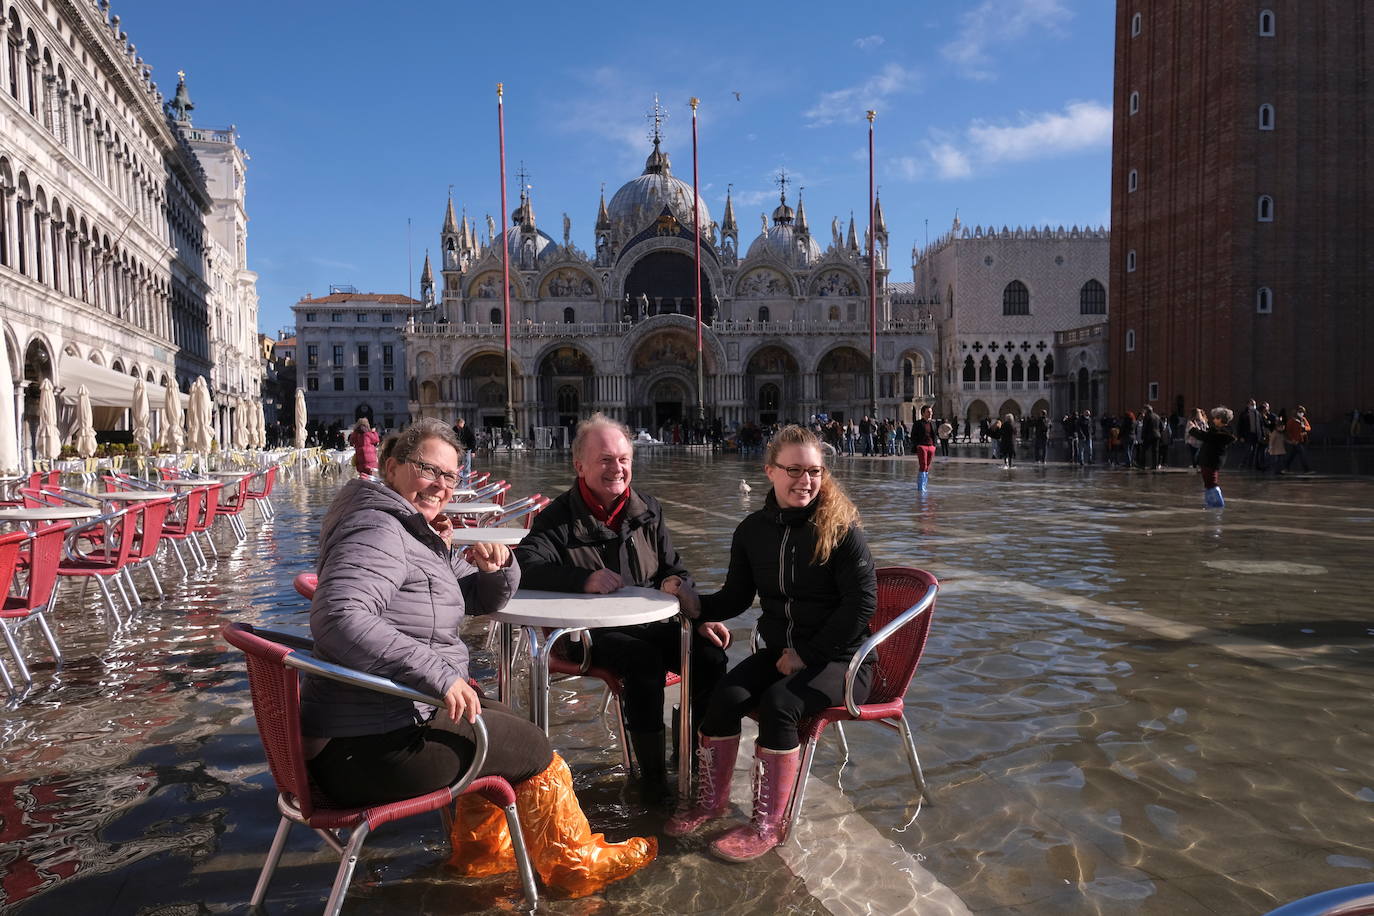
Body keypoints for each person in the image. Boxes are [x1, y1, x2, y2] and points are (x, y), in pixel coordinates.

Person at [302, 418, 654, 898]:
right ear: (391, 466)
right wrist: (438, 676)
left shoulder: (409, 526)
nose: (441, 485)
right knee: (533, 749)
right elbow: (340, 618)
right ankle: (576, 865)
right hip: (368, 747)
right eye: (428, 469)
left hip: (379, 723)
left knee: (505, 725)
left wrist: (499, 571)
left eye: (450, 476)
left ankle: (481, 856)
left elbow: (468, 597)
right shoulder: (377, 527)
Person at [665, 425, 875, 862]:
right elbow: (737, 598)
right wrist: (693, 603)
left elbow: (861, 607)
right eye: (794, 470)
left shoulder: (841, 531)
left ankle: (768, 824)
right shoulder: (751, 531)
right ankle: (712, 802)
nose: (806, 481)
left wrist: (808, 655)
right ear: (769, 472)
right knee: (726, 695)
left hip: (845, 661)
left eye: (814, 471)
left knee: (781, 703)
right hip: (783, 654)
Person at [514, 413, 728, 805]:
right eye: (606, 460)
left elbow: (674, 568)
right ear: (579, 465)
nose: (618, 469)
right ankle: (652, 780)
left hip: (649, 624)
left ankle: (691, 758)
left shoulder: (647, 509)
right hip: (586, 635)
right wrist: (582, 580)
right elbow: (524, 565)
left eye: (624, 459)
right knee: (643, 662)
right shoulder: (559, 517)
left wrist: (694, 609)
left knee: (711, 657)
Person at [1192, 407, 1235, 508]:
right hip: (1208, 460)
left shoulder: (1223, 432)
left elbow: (1206, 436)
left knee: (1211, 482)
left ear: (1220, 419)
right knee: (1208, 482)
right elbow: (1208, 434)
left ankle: (1218, 504)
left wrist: (1193, 429)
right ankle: (1210, 503)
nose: (1213, 420)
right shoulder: (1218, 430)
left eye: (1215, 418)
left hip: (1211, 461)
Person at [910, 405, 937, 490]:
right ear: (923, 413)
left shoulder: (932, 423)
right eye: (928, 412)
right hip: (922, 446)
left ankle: (924, 485)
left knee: (927, 466)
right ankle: (921, 487)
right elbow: (913, 435)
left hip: (930, 446)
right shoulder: (918, 423)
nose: (930, 414)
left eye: (931, 412)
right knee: (923, 465)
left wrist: (934, 446)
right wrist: (918, 445)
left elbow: (934, 435)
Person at [1284, 406, 1312, 473]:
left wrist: (1304, 427)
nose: (1301, 413)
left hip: (1303, 440)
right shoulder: (1291, 421)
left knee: (1292, 456)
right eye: (1300, 412)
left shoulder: (1303, 419)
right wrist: (1292, 439)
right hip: (1296, 441)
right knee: (1303, 455)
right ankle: (1307, 469)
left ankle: (1286, 467)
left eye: (1302, 412)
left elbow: (1309, 427)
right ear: (1296, 412)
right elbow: (1288, 431)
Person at [452, 416, 477, 481]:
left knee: (467, 465)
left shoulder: (467, 429)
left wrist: (473, 451)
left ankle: (466, 480)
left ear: (463, 424)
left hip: (467, 449)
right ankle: (459, 479)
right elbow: (451, 438)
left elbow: (473, 440)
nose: (458, 427)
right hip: (458, 449)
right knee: (458, 464)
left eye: (459, 426)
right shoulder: (454, 429)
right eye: (457, 426)